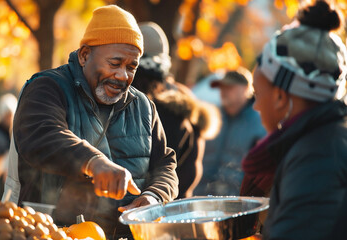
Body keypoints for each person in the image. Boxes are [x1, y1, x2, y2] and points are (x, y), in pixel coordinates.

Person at [2, 5, 178, 238]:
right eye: (114, 63)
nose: (123, 75)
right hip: (49, 233)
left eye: (131, 67)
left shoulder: (144, 106)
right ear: (85, 55)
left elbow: (165, 163)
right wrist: (94, 162)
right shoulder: (47, 87)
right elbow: (42, 135)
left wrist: (153, 196)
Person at [244, 1, 347, 239]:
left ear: (281, 96)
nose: (257, 106)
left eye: (258, 94)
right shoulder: (324, 139)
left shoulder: (316, 159)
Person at [132, 22, 220, 198]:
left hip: (152, 213)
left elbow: (149, 176)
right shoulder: (183, 99)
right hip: (178, 212)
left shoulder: (158, 112)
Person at [194, 67, 266, 196]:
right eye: (221, 87)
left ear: (246, 89)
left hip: (237, 203)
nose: (223, 92)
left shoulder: (262, 122)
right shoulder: (212, 116)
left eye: (229, 87)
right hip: (201, 198)